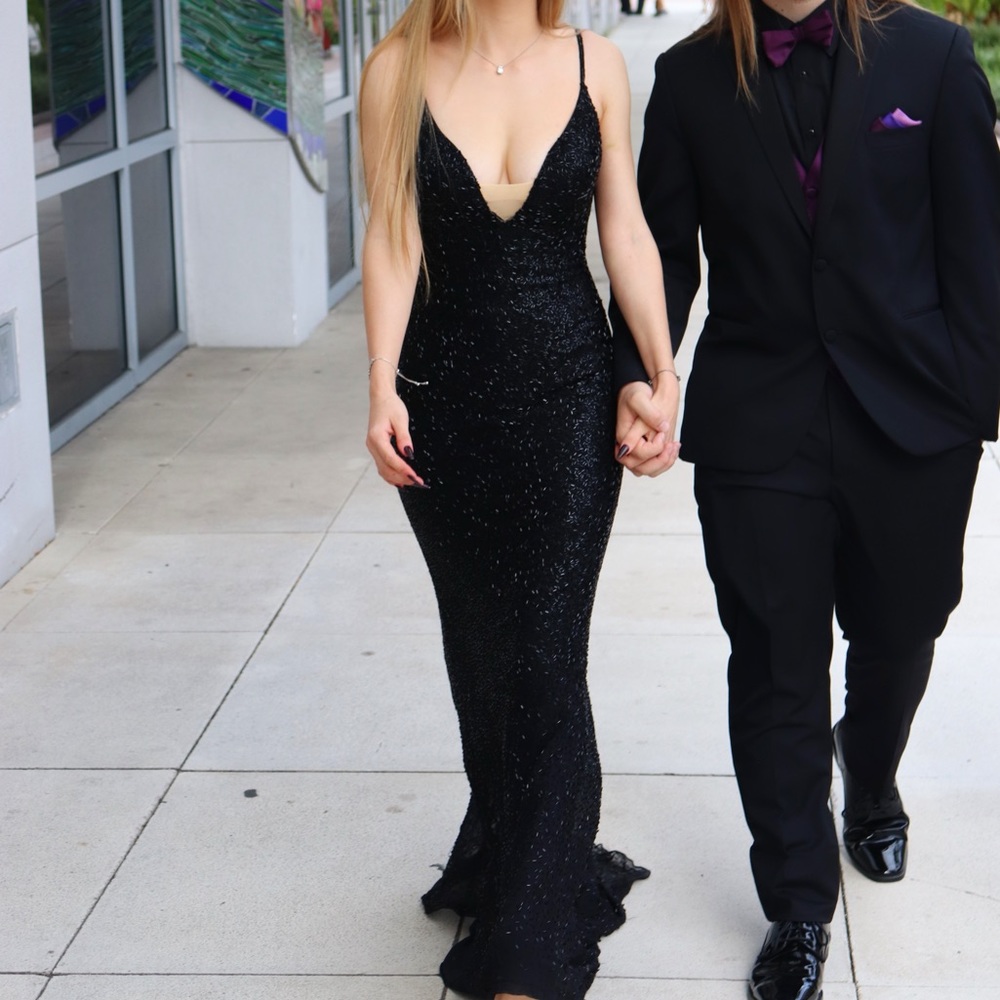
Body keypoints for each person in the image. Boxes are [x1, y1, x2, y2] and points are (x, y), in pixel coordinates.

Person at [609, 0, 1000, 996]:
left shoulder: (935, 56)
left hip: (913, 417)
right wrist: (641, 375)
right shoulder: (690, 80)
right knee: (775, 666)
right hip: (759, 424)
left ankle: (869, 773)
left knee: (903, 628)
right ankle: (796, 908)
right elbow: (662, 253)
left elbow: (979, 245)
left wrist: (972, 402)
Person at [358, 0, 680, 994]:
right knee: (483, 657)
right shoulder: (394, 71)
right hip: (443, 410)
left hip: (567, 402)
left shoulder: (596, 65)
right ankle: (513, 852)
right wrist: (379, 385)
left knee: (546, 655)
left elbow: (624, 229)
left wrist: (661, 371)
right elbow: (393, 238)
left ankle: (529, 944)